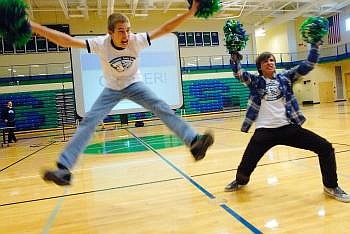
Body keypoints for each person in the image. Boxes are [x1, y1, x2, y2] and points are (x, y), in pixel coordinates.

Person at [30, 0, 214, 186]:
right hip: (112, 88)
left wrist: (190, 13)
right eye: (120, 30)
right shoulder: (100, 44)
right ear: (110, 32)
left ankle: (194, 143)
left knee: (161, 106)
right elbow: (67, 41)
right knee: (89, 121)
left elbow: (165, 28)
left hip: (134, 84)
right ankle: (63, 169)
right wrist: (36, 27)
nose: (126, 34)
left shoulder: (136, 40)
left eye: (128, 29)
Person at [225, 43, 350, 202]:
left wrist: (315, 46)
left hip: (288, 128)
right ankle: (240, 181)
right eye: (265, 61)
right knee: (247, 163)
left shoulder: (285, 77)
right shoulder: (255, 81)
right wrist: (234, 57)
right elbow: (239, 73)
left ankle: (331, 186)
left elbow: (308, 65)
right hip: (264, 131)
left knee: (325, 147)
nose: (270, 63)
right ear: (260, 67)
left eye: (272, 60)